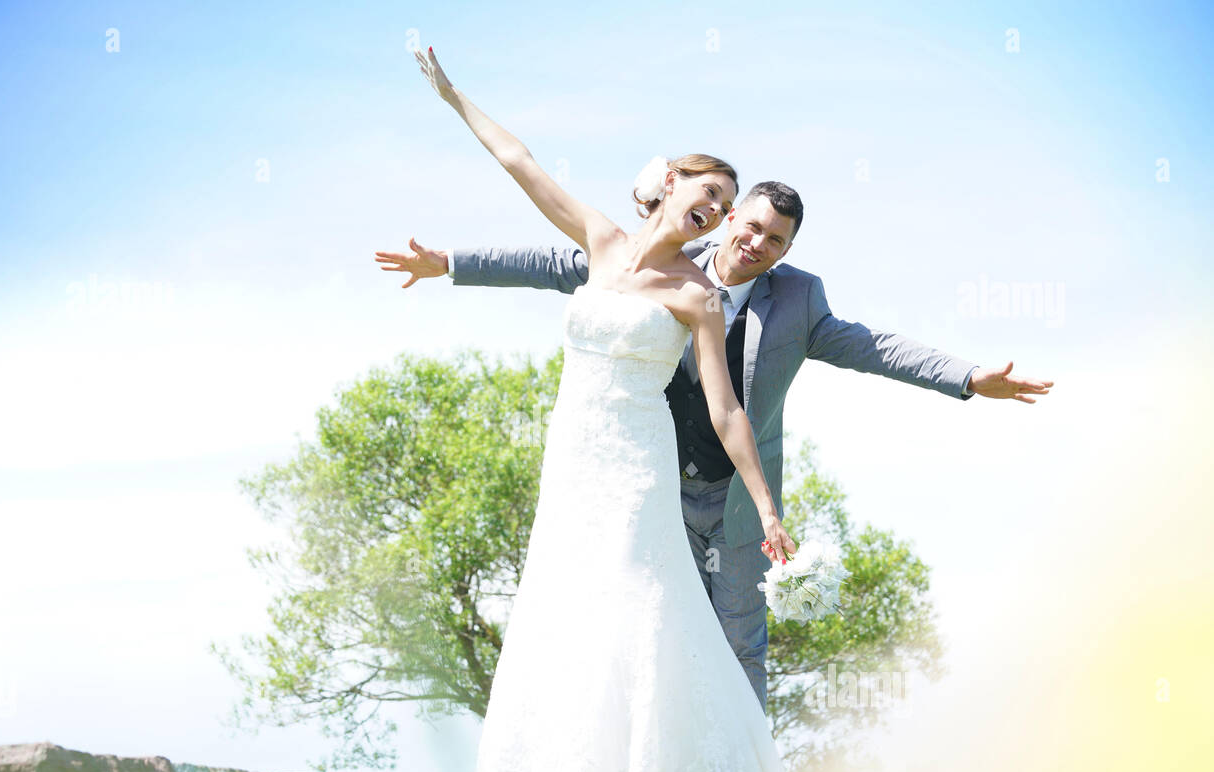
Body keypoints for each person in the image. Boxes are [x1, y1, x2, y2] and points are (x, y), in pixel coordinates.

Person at [396, 46, 846, 772]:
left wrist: (770, 508)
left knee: (640, 600)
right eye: (705, 193)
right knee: (563, 599)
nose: (711, 211)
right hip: (571, 457)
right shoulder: (599, 240)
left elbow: (727, 409)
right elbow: (519, 162)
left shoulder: (696, 297)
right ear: (667, 183)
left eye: (721, 206)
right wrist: (455, 96)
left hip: (636, 463)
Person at [378, 187, 1055, 716]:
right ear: (731, 218)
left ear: (786, 251)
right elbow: (559, 265)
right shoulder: (661, 261)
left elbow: (874, 347)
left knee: (738, 649)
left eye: (776, 240)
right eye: (752, 226)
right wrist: (448, 265)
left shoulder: (799, 300)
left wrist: (969, 378)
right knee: (646, 635)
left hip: (735, 509)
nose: (758, 242)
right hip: (653, 486)